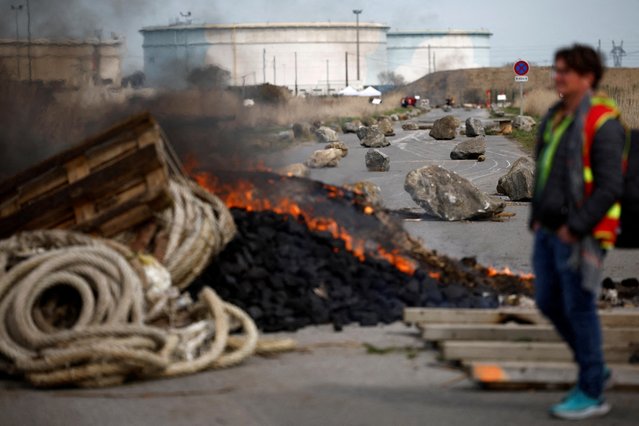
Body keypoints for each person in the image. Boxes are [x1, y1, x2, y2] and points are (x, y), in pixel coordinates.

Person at [530, 44, 626, 420]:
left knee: (580, 307)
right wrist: (538, 218)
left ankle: (591, 391)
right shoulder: (555, 117)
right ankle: (594, 368)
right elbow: (545, 172)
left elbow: (609, 187)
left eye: (565, 71)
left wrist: (576, 227)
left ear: (588, 77)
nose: (557, 77)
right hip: (548, 229)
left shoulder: (603, 122)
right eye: (556, 70)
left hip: (580, 234)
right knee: (548, 302)